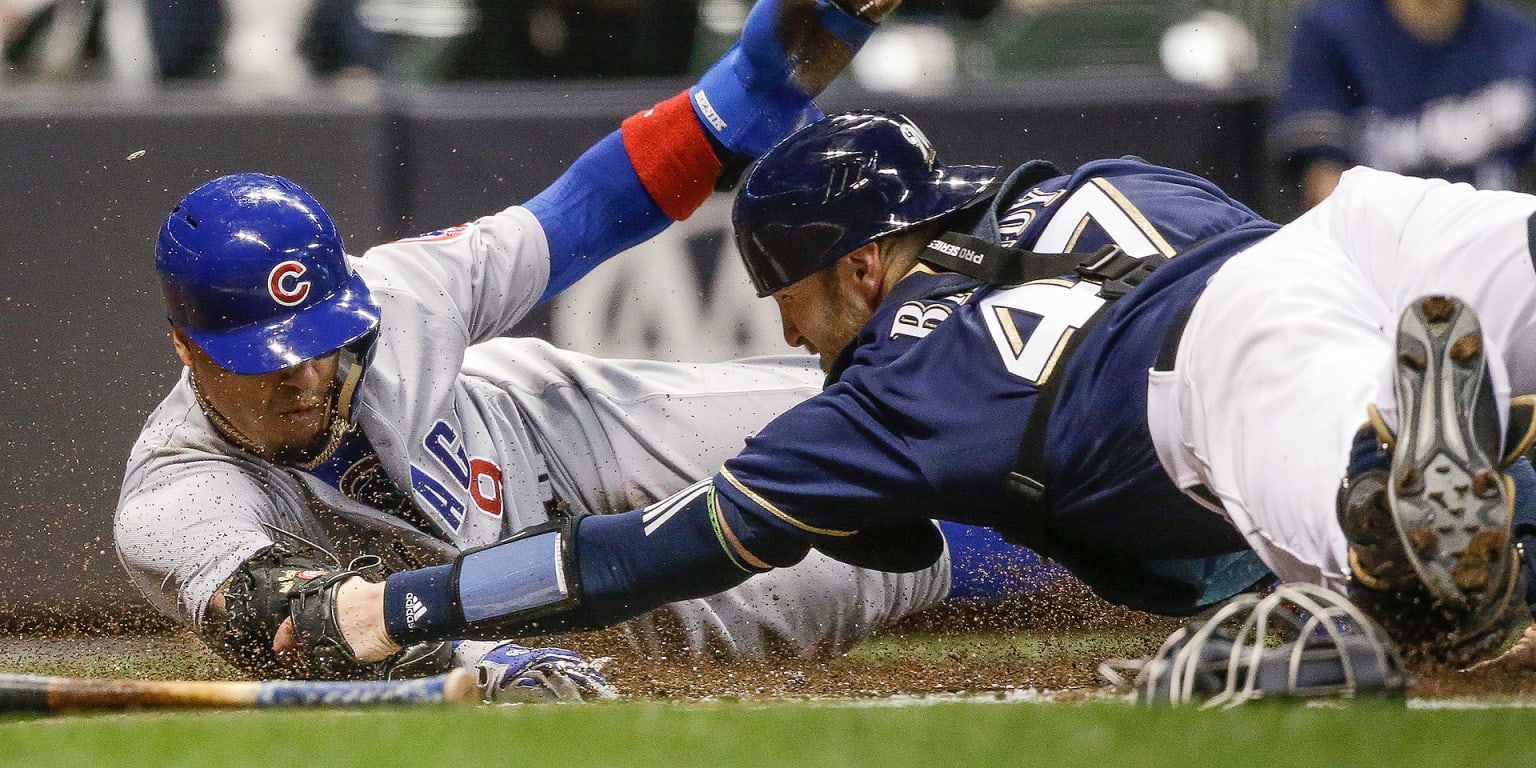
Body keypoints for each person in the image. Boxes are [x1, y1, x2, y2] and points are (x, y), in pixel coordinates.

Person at [286, 109, 1536, 672]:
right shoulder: (1096, 178)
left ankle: (1418, 495)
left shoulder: (896, 389)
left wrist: (408, 603)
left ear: (865, 265)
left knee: (1415, 575)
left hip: (1217, 364)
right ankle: (1476, 457)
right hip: (1348, 236)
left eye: (798, 304)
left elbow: (644, 553)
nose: (799, 343)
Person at [116, 1, 1037, 697]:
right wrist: (476, 666)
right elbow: (298, 625)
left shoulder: (396, 295)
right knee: (865, 572)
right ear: (185, 349)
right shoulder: (175, 491)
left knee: (922, 421)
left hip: (569, 426)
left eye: (319, 341)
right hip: (538, 593)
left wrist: (757, 81)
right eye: (267, 357)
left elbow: (589, 209)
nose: (305, 375)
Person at [1269, 0, 1536, 209]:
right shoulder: (1332, 32)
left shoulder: (1521, 42)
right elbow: (1325, 189)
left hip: (1495, 248)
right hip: (1379, 256)